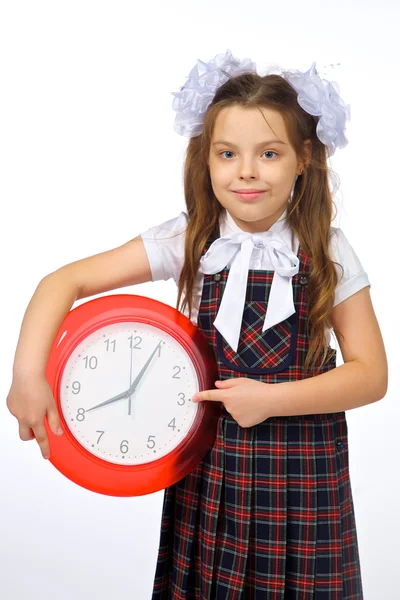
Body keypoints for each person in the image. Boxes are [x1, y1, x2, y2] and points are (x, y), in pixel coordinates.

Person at [6, 49, 387, 599]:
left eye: (270, 153)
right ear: (205, 160)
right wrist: (27, 374)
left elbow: (371, 375)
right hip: (210, 473)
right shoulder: (192, 241)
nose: (247, 171)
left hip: (301, 480)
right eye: (228, 153)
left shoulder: (326, 249)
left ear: (304, 158)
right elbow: (64, 282)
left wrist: (269, 400)